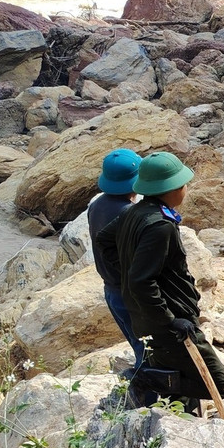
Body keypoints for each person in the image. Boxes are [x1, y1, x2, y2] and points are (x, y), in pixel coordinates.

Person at [93, 152, 224, 411]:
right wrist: (170, 320)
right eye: (182, 185)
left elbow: (104, 240)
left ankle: (180, 417)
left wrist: (126, 269)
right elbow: (141, 281)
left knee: (181, 377)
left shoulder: (135, 212)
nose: (185, 189)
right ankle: (144, 378)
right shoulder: (160, 226)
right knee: (218, 383)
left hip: (152, 317)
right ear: (170, 190)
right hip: (169, 322)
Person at [86, 148, 144, 373]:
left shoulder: (96, 206)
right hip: (130, 292)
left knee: (137, 343)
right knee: (147, 350)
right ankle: (145, 399)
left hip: (111, 289)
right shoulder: (129, 214)